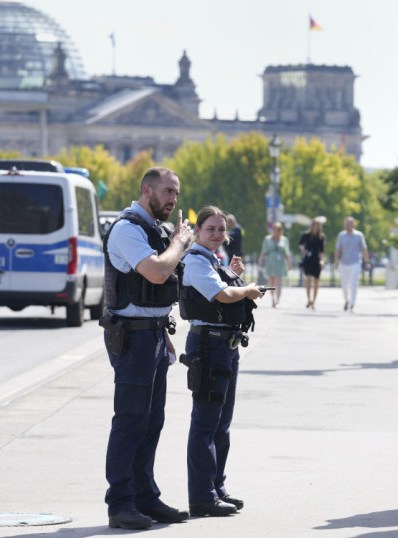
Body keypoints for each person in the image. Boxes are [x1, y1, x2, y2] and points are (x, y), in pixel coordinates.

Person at [99, 166, 193, 530]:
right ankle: (120, 503)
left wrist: (162, 331)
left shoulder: (156, 230)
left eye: (176, 193)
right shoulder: (127, 229)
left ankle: (145, 497)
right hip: (132, 338)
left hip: (151, 335)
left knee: (151, 421)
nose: (173, 199)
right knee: (130, 421)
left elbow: (157, 290)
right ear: (146, 190)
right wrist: (179, 242)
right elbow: (156, 272)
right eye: (167, 191)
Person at [178, 206, 264, 517]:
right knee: (206, 422)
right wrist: (247, 289)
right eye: (210, 229)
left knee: (221, 424)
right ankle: (202, 496)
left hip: (225, 344)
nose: (216, 234)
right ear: (198, 231)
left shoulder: (213, 261)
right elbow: (223, 296)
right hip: (209, 345)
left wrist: (234, 275)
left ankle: (216, 487)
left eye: (221, 229)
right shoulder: (195, 261)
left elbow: (223, 290)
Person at [334, 216, 370, 312]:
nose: (348, 225)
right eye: (346, 224)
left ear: (353, 224)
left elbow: (364, 249)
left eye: (350, 223)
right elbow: (338, 249)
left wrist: (367, 261)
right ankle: (347, 300)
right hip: (344, 263)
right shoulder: (341, 235)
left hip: (355, 262)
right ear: (344, 225)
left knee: (354, 283)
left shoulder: (359, 235)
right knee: (344, 285)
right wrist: (336, 261)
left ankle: (352, 303)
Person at [258, 222, 292, 308]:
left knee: (279, 282)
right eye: (275, 229)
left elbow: (287, 253)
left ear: (281, 230)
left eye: (278, 230)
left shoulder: (284, 239)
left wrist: (289, 263)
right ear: (272, 230)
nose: (276, 231)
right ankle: (273, 299)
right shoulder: (267, 239)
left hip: (280, 263)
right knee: (271, 282)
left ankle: (277, 301)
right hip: (271, 262)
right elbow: (263, 251)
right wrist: (260, 261)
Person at [299, 217, 326, 309]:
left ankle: (314, 301)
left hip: (316, 260)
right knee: (308, 278)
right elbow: (301, 244)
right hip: (308, 259)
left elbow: (322, 251)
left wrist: (322, 260)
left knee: (316, 280)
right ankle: (308, 299)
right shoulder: (306, 235)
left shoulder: (321, 237)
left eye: (317, 225)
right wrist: (304, 250)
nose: (315, 226)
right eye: (314, 224)